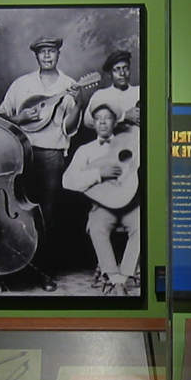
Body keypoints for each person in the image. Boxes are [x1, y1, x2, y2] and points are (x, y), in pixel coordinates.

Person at [0, 36, 82, 291]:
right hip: (20, 155)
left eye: (52, 51)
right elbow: (1, 118)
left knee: (47, 214)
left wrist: (77, 103)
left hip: (51, 155)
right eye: (42, 52)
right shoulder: (22, 84)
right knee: (17, 212)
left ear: (58, 54)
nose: (47, 56)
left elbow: (69, 128)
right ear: (36, 56)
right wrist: (21, 118)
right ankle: (16, 269)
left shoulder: (70, 85)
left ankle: (44, 271)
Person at [61, 102, 140, 294]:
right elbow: (67, 180)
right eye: (98, 119)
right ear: (93, 123)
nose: (103, 122)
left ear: (115, 122)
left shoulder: (130, 141)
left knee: (143, 224)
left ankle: (123, 276)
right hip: (102, 206)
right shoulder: (85, 151)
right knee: (97, 227)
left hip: (130, 203)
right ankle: (114, 278)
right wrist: (99, 174)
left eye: (107, 118)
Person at [82, 50, 140, 131]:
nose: (122, 73)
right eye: (117, 69)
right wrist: (123, 117)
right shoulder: (101, 95)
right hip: (112, 141)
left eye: (125, 68)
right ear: (110, 74)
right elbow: (88, 121)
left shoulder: (139, 91)